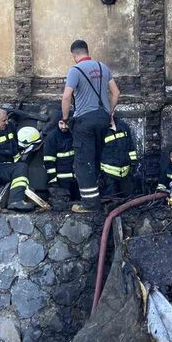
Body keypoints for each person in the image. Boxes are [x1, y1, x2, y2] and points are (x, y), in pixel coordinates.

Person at [61, 39, 120, 213]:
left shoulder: (75, 70)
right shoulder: (103, 67)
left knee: (83, 162)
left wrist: (65, 118)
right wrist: (109, 112)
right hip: (102, 119)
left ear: (74, 55)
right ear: (87, 51)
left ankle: (89, 205)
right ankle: (97, 197)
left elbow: (66, 97)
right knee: (95, 159)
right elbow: (116, 92)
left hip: (84, 122)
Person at [100, 117, 138, 197]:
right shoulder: (100, 130)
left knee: (129, 201)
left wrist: (133, 165)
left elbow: (130, 147)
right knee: (111, 202)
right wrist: (100, 175)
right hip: (108, 176)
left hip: (126, 174)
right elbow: (95, 154)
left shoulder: (123, 126)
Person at [43, 118, 78, 200]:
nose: (64, 126)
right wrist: (53, 181)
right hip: (61, 180)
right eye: (61, 123)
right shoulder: (51, 138)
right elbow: (49, 162)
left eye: (66, 123)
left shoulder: (75, 134)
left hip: (76, 178)